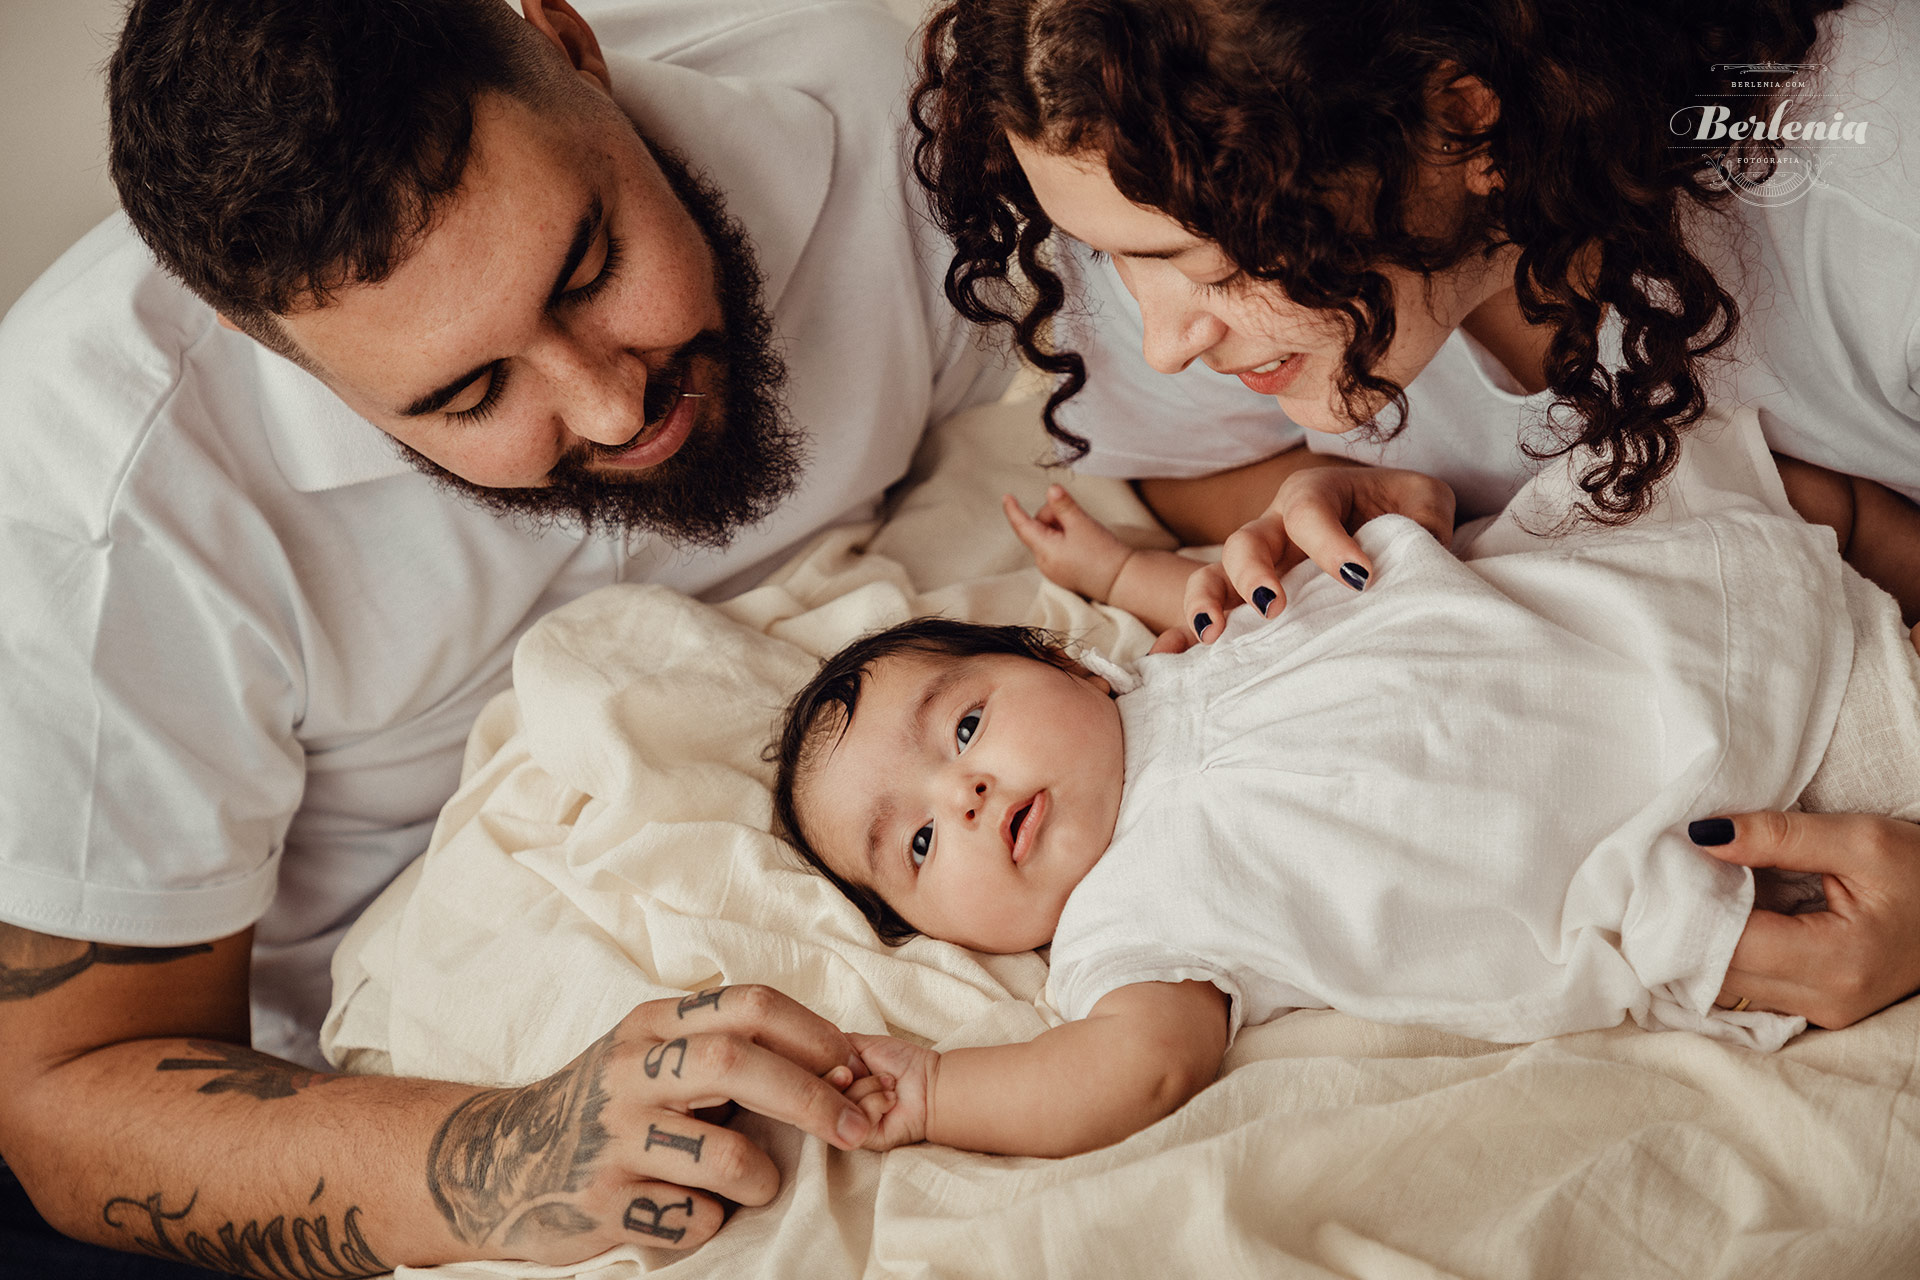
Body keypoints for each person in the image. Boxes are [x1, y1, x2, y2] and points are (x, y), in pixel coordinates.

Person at [0, 0, 1009, 1272]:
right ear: (257, 339)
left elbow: (1127, 423)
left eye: (588, 270)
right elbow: (69, 1092)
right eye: (472, 394)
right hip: (435, 1063)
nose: (612, 397)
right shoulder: (92, 502)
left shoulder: (872, 108)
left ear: (571, 47)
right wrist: (510, 1156)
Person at [908, 0, 1920, 1035]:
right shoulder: (1169, 185)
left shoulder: (1880, 211)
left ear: (1460, 123)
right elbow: (1169, 469)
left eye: (1206, 262)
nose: (1166, 337)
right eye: (1122, 258)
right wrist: (1327, 482)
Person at [768, 414, 1920, 1157]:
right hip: (1670, 819)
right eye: (916, 846)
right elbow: (1135, 1065)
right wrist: (934, 1093)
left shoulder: (1165, 666)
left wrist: (1117, 567)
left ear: (1062, 659)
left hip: (1626, 626)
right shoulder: (1124, 928)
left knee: (1801, 531)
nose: (963, 794)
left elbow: (1196, 590)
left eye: (965, 723)